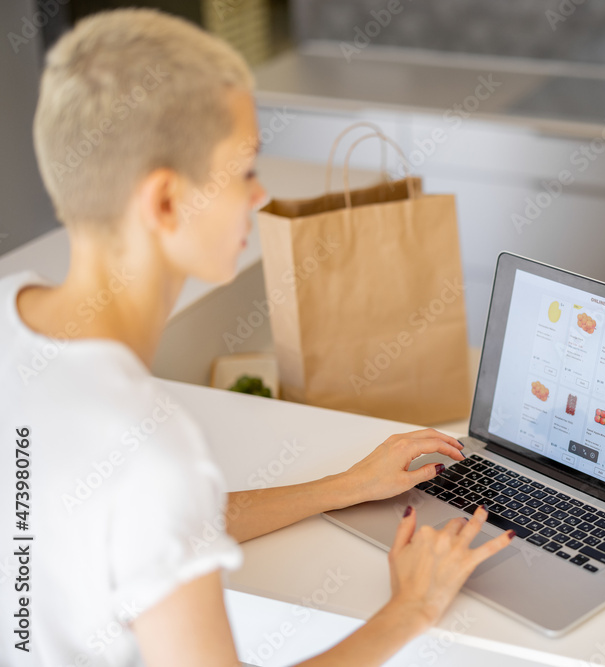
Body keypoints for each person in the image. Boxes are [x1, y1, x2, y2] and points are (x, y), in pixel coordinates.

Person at [0, 8, 513, 666]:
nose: (261, 193)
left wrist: (343, 485)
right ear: (162, 202)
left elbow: (148, 524)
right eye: (243, 169)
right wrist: (410, 610)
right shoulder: (150, 449)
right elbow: (152, 493)